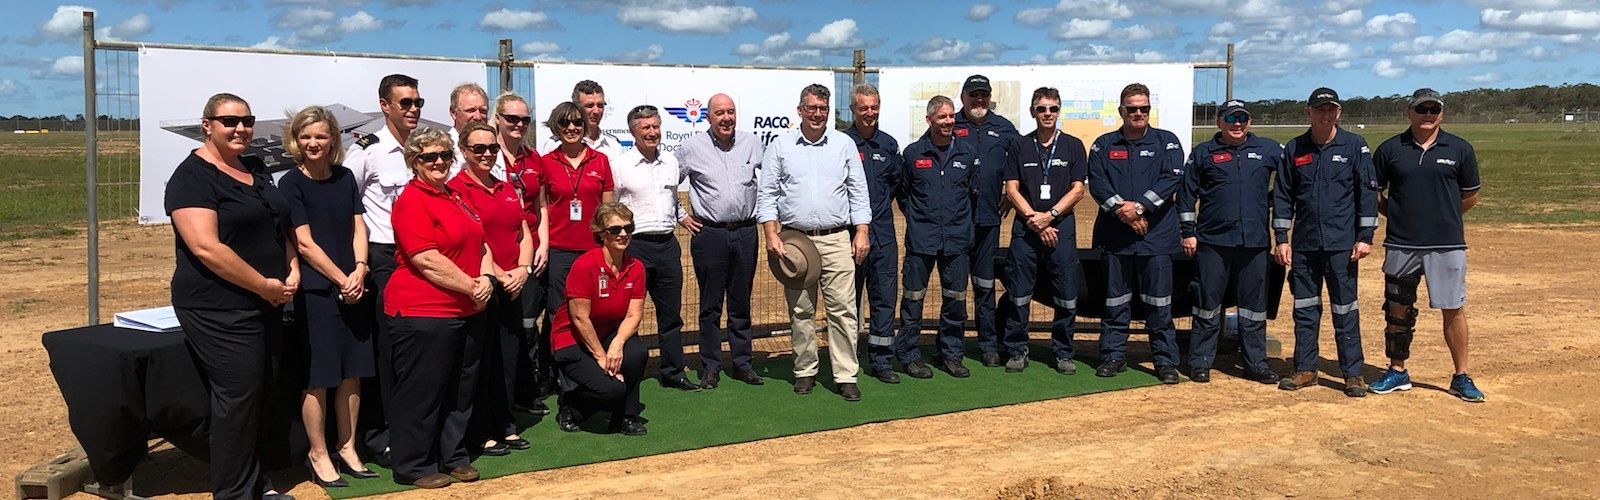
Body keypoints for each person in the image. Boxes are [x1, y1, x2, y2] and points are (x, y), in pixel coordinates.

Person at [165, 93, 297, 500]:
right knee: (238, 397)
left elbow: (279, 224)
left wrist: (291, 267)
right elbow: (206, 248)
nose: (241, 129)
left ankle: (256, 483)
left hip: (267, 302)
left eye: (247, 121)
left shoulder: (254, 167)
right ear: (207, 126)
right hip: (218, 306)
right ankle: (235, 492)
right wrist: (263, 285)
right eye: (230, 121)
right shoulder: (191, 177)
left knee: (261, 392)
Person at [383, 127, 492, 488]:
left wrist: (486, 279)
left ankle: (453, 455)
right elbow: (426, 259)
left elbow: (480, 243)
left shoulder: (456, 195)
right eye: (430, 156)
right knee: (422, 391)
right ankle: (414, 464)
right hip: (424, 310)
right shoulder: (411, 201)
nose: (439, 162)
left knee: (461, 389)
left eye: (445, 155)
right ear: (414, 162)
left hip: (467, 309)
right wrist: (472, 286)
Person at [277, 106, 378, 487]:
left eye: (320, 135)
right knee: (318, 377)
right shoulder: (291, 184)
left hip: (354, 286)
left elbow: (358, 227)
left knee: (352, 372)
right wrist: (341, 280)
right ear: (295, 141)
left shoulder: (345, 177)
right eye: (305, 136)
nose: (313, 143)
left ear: (333, 138)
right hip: (318, 293)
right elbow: (303, 244)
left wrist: (360, 269)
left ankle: (347, 446)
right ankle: (318, 454)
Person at [1367, 88, 1485, 402]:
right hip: (1401, 242)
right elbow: (1375, 194)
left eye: (1434, 109)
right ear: (1409, 112)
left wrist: (1443, 215)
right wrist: (1398, 214)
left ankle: (1461, 375)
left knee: (1453, 308)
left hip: (1447, 244)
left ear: (1441, 114)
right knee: (1397, 308)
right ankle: (1397, 371)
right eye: (1422, 109)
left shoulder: (1459, 148)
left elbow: (1470, 195)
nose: (1428, 115)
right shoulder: (1391, 149)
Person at [758, 84, 872, 401]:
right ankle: (805, 371)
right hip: (795, 241)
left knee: (844, 310)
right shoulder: (780, 145)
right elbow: (767, 193)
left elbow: (858, 191)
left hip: (837, 239)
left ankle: (846, 374)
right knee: (801, 310)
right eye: (811, 108)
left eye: (823, 109)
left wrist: (862, 231)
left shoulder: (843, 144)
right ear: (800, 110)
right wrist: (770, 234)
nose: (817, 114)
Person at [1272, 87, 1378, 397]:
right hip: (1305, 245)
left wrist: (1365, 237)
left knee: (1345, 310)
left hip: (1341, 245)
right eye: (1320, 109)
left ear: (1339, 112)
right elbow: (1283, 196)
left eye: (1331, 109)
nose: (1326, 114)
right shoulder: (1295, 148)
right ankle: (1305, 369)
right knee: (1305, 309)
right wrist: (1282, 239)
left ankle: (1353, 374)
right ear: (1309, 112)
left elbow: (1367, 193)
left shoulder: (1354, 146)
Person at [1177, 100, 1283, 385]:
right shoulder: (1203, 153)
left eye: (1242, 118)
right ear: (1219, 122)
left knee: (1253, 307)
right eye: (1231, 118)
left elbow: (1290, 183)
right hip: (1213, 242)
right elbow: (1186, 195)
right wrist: (1188, 231)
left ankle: (1255, 363)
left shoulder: (1268, 150)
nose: (1237, 123)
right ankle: (1200, 362)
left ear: (1249, 122)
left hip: (1254, 243)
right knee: (1207, 304)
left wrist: (1267, 201)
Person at [1086, 83, 1185, 384]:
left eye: (1144, 108)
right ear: (1121, 111)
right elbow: (1098, 183)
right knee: (1115, 302)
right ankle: (1113, 356)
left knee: (1159, 304)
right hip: (1116, 238)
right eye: (1132, 108)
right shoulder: (1103, 145)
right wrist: (1124, 213)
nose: (1138, 113)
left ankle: (1165, 361)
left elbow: (1172, 179)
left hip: (1156, 238)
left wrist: (1140, 207)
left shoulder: (1167, 142)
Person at [346, 73, 422, 461]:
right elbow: (348, 207)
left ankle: (413, 427)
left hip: (422, 258)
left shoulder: (423, 149)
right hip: (384, 257)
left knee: (415, 346)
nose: (413, 109)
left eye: (417, 102)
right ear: (384, 105)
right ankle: (381, 435)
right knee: (388, 347)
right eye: (405, 102)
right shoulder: (367, 150)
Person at [448, 122, 533, 457]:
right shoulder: (456, 188)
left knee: (508, 360)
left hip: (514, 285)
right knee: (482, 362)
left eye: (492, 148)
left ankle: (506, 425)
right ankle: (481, 432)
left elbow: (523, 231)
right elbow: (476, 240)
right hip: (483, 287)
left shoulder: (506, 187)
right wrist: (500, 275)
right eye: (478, 148)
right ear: (463, 151)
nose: (486, 154)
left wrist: (523, 270)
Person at [676, 93, 766, 389]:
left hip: (745, 232)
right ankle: (711, 366)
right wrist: (681, 215)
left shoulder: (752, 143)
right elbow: (665, 182)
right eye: (719, 113)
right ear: (708, 117)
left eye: (731, 112)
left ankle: (742, 364)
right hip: (709, 234)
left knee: (741, 302)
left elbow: (771, 179)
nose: (726, 118)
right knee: (710, 304)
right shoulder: (692, 148)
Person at [1000, 87, 1089, 375]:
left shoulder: (1073, 146)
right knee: (1019, 293)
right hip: (1026, 228)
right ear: (1032, 112)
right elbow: (1012, 190)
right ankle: (1016, 350)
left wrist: (1050, 217)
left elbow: (1078, 190)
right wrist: (1034, 220)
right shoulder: (1019, 146)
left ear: (1059, 111)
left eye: (1053, 108)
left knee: (1066, 293)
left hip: (1060, 227)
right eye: (1041, 109)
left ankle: (1063, 352)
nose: (1047, 114)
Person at [613, 104, 699, 391]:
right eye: (645, 128)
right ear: (633, 132)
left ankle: (673, 373)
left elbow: (671, 200)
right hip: (634, 247)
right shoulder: (621, 165)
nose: (652, 132)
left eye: (655, 126)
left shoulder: (671, 162)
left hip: (667, 246)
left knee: (671, 316)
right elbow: (611, 206)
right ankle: (625, 371)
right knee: (628, 314)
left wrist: (683, 217)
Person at [550, 202, 651, 435]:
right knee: (612, 389)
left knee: (636, 353)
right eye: (615, 229)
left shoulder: (636, 267)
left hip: (607, 334)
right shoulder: (584, 265)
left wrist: (617, 344)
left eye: (628, 227)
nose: (623, 234)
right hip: (572, 339)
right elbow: (579, 318)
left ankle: (627, 416)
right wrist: (601, 357)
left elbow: (634, 314)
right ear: (601, 234)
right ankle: (571, 406)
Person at [898, 96, 979, 379]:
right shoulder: (913, 154)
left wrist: (960, 224)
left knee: (955, 300)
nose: (948, 121)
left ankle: (950, 354)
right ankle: (908, 354)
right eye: (942, 117)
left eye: (951, 116)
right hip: (922, 240)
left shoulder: (967, 154)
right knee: (913, 299)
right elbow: (904, 194)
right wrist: (920, 220)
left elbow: (973, 194)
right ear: (929, 119)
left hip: (956, 240)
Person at [539, 101, 616, 368]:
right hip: (559, 250)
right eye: (565, 122)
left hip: (592, 249)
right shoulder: (546, 162)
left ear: (585, 125)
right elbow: (542, 208)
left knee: (593, 311)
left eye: (577, 122)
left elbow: (607, 210)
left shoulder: (600, 160)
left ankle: (591, 366)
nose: (571, 127)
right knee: (558, 312)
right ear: (556, 127)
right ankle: (557, 372)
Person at [954, 75, 1022, 367]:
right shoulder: (950, 124)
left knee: (984, 286)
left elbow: (1023, 162)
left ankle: (988, 345)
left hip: (988, 220)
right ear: (963, 97)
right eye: (973, 95)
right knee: (954, 287)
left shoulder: (1004, 128)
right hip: (956, 222)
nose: (979, 100)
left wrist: (1013, 193)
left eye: (983, 94)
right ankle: (951, 346)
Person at [494, 93, 554, 415]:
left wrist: (543, 244)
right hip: (496, 252)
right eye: (512, 119)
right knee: (500, 327)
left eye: (525, 120)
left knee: (527, 325)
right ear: (498, 119)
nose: (519, 124)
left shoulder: (534, 159)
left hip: (529, 251)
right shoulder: (487, 154)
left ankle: (525, 390)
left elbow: (541, 205)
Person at [843, 84, 906, 384]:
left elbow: (896, 183)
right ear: (852, 110)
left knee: (884, 298)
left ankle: (881, 360)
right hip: (848, 235)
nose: (869, 112)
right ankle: (847, 360)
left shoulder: (889, 144)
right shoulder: (841, 143)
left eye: (874, 107)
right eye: (863, 107)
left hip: (882, 233)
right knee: (847, 301)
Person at [540, 80, 624, 159]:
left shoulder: (613, 145)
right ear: (576, 107)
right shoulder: (554, 145)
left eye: (600, 105)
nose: (596, 111)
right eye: (590, 106)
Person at [445, 83, 489, 176]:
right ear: (453, 113)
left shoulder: (494, 149)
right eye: (471, 110)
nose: (478, 117)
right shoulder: (444, 148)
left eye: (483, 111)